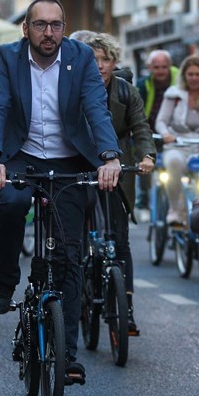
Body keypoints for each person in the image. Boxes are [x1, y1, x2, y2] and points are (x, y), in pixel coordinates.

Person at [0, 0, 122, 385]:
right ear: (25, 29)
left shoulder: (80, 57)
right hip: (21, 156)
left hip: (69, 161)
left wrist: (109, 157)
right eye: (40, 25)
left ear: (65, 26)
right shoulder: (9, 58)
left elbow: (96, 108)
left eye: (56, 25)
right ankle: (6, 278)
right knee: (11, 203)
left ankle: (69, 356)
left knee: (70, 257)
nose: (49, 33)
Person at [84, 32, 156, 335]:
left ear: (115, 62)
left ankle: (126, 309)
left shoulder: (126, 92)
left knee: (120, 242)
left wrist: (147, 156)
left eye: (106, 59)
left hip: (119, 170)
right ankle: (76, 297)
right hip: (81, 170)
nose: (100, 65)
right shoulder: (73, 89)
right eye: (94, 59)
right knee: (76, 239)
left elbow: (141, 128)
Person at [154, 54, 199, 226]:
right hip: (177, 145)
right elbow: (161, 121)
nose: (194, 78)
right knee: (173, 163)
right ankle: (175, 209)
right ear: (184, 75)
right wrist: (166, 134)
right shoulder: (173, 94)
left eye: (198, 74)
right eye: (191, 74)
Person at [135, 49, 178, 209]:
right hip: (150, 133)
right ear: (150, 68)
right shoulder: (142, 84)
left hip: (175, 134)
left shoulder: (181, 80)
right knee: (143, 163)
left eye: (164, 67)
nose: (160, 71)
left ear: (170, 66)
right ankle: (144, 199)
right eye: (156, 67)